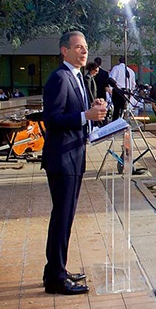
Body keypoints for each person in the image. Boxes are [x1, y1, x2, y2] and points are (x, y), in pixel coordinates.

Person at [42, 31, 107, 295]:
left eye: (86, 47)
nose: (83, 52)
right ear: (64, 50)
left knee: (65, 217)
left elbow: (77, 113)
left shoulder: (78, 77)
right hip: (62, 159)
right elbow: (53, 118)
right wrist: (85, 115)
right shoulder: (59, 78)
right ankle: (56, 279)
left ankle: (55, 270)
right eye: (78, 47)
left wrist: (94, 109)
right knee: (62, 217)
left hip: (75, 156)